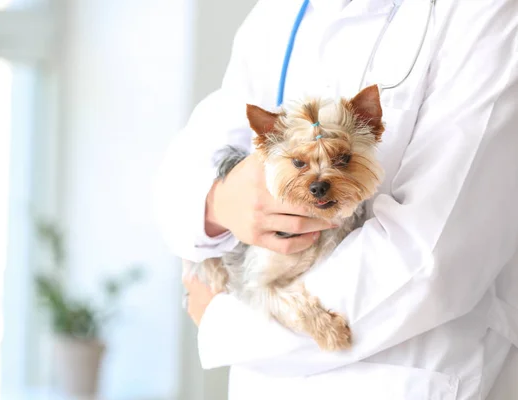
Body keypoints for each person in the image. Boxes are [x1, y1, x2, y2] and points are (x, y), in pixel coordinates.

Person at [154, 0, 518, 399]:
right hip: (263, 380)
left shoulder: (486, 13)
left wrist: (227, 324)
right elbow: (193, 158)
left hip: (404, 374)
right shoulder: (279, 13)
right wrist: (218, 202)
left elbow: (435, 256)